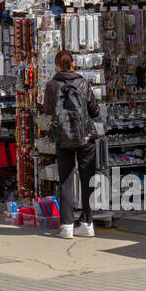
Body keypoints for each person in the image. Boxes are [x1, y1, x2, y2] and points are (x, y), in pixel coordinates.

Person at [42, 49, 100, 239]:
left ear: (57, 65)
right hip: (85, 137)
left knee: (65, 180)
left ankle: (66, 225)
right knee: (87, 180)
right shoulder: (83, 83)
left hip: (63, 138)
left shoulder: (52, 85)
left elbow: (49, 110)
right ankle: (87, 223)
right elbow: (95, 110)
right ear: (73, 63)